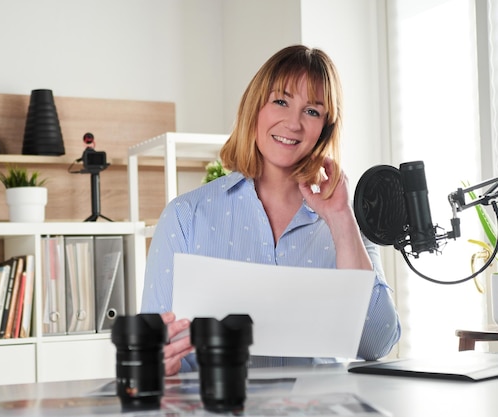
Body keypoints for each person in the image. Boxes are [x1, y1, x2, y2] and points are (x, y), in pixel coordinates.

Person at [140, 44, 401, 375]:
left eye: (312, 111)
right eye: (281, 101)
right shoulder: (185, 217)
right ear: (256, 108)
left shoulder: (345, 221)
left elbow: (376, 343)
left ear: (326, 127)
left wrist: (340, 220)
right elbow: (153, 351)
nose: (293, 123)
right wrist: (156, 359)